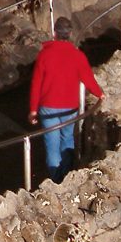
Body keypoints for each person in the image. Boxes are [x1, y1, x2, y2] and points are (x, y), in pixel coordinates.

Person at [28, 16, 102, 182]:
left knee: (52, 144)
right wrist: (100, 94)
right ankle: (67, 174)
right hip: (70, 106)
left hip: (49, 107)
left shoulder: (44, 55)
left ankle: (56, 178)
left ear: (54, 33)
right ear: (69, 34)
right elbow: (88, 79)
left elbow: (36, 83)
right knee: (67, 139)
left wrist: (33, 109)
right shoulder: (78, 55)